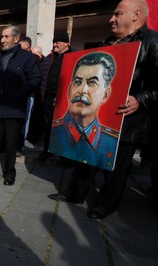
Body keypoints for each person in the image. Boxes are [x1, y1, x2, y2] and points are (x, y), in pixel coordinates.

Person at [48, 0, 158, 219]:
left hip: (129, 118)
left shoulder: (152, 41)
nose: (111, 19)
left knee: (117, 167)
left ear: (135, 15)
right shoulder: (107, 42)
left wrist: (140, 99)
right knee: (86, 154)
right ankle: (75, 192)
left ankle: (105, 204)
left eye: (117, 14)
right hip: (101, 114)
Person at [0, 26, 41, 185]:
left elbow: (35, 79)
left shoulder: (26, 58)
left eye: (6, 37)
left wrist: (19, 94)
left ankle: (9, 173)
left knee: (11, 143)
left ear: (16, 38)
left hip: (14, 109)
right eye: (2, 36)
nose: (2, 40)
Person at [49, 52, 119, 170]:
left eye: (92, 83)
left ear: (105, 95)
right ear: (69, 89)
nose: (82, 90)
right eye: (77, 82)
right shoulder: (55, 132)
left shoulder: (111, 142)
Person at [38, 31, 76, 161]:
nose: (55, 44)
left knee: (65, 127)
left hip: (65, 99)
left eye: (57, 42)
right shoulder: (49, 58)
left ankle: (65, 155)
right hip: (48, 98)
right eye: (54, 42)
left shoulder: (74, 56)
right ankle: (47, 150)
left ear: (66, 43)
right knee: (48, 125)